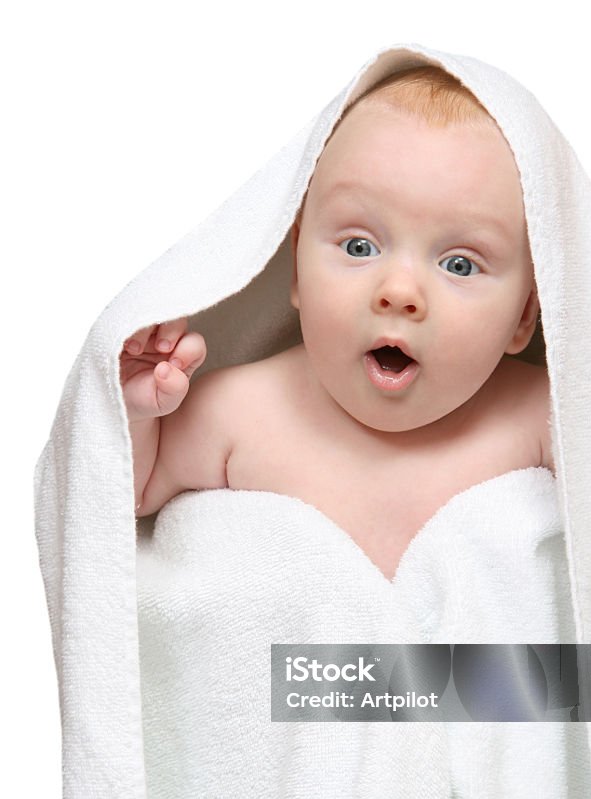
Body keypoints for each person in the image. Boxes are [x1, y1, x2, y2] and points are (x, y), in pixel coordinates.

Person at [120, 65, 553, 581]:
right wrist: (137, 413)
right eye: (359, 247)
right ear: (297, 263)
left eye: (459, 264)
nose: (399, 292)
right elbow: (128, 496)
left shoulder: (544, 420)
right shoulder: (238, 412)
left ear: (523, 316)